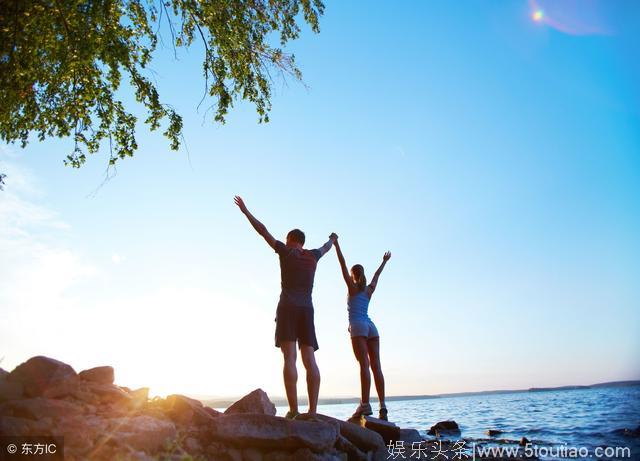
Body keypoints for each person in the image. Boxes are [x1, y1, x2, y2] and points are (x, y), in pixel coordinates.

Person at [234, 196, 337, 418]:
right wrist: (333, 239)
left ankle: (293, 410)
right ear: (303, 241)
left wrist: (246, 211)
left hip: (288, 307)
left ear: (291, 239)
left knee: (289, 358)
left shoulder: (285, 250)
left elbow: (263, 231)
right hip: (307, 310)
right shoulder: (313, 256)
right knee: (309, 360)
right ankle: (312, 411)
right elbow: (326, 247)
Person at [333, 237, 391, 420]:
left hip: (358, 326)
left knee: (364, 365)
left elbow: (342, 264)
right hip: (371, 326)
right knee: (377, 366)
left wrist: (336, 245)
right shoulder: (368, 290)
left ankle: (365, 405)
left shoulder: (352, 288)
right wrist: (384, 261)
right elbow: (377, 275)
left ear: (353, 275)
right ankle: (382, 406)